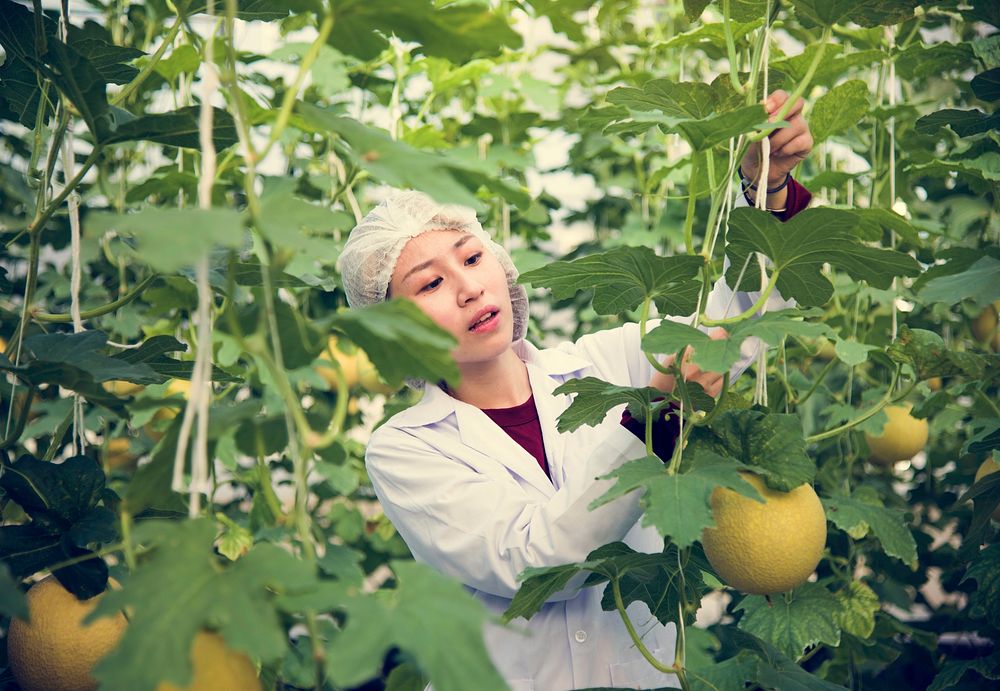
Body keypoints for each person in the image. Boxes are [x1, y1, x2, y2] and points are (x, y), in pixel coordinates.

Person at [337, 90, 813, 690]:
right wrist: (659, 414)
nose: (467, 288)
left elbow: (739, 316)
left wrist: (763, 189)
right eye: (429, 283)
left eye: (473, 256)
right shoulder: (403, 449)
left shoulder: (603, 362)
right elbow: (537, 564)